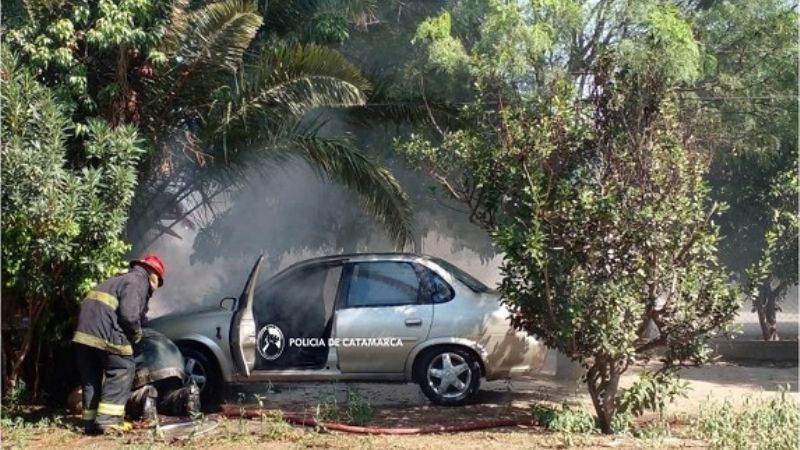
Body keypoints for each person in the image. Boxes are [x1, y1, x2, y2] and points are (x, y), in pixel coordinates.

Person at [72, 254, 166, 434]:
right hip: (105, 333)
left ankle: (90, 422)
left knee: (91, 378)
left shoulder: (118, 280)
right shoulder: (138, 281)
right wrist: (137, 335)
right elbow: (129, 316)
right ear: (153, 274)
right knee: (123, 368)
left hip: (83, 337)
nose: (155, 288)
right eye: (158, 281)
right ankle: (108, 421)